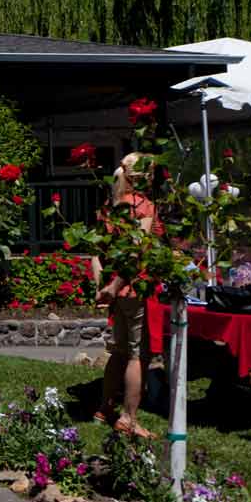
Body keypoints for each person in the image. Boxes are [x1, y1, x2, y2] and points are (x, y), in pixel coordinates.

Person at [93, 152, 159, 439]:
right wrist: (117, 284)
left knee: (118, 351)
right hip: (133, 286)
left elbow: (96, 253)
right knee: (137, 355)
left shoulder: (110, 206)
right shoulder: (142, 207)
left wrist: (103, 287)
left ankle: (104, 408)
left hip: (115, 289)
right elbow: (137, 251)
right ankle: (128, 418)